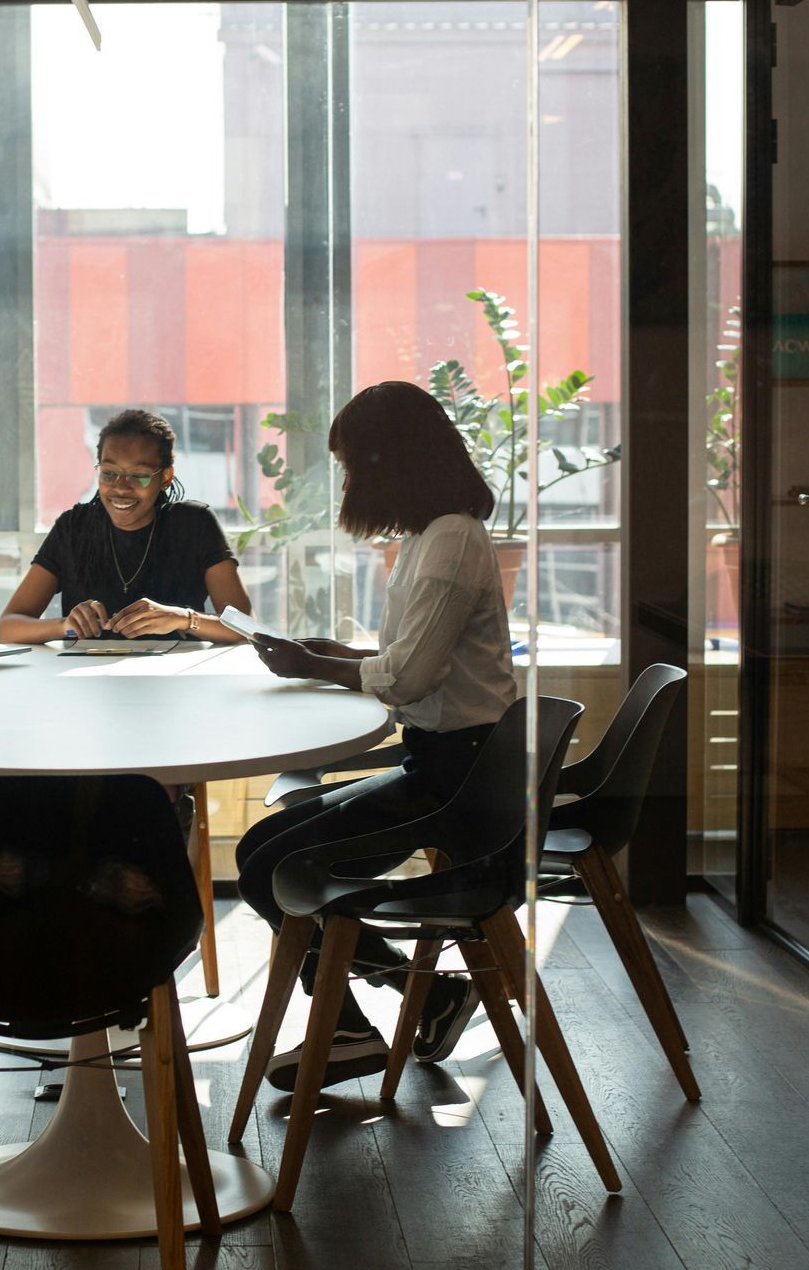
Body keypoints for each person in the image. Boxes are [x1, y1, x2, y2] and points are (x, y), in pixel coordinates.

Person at [235, 380, 517, 1090]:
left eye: (354, 465)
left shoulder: (450, 541)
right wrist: (331, 655)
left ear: (390, 461)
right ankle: (416, 1001)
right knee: (259, 852)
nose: (351, 482)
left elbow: (412, 679)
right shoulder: (429, 535)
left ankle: (354, 1032)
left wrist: (317, 666)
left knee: (272, 867)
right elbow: (409, 662)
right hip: (445, 763)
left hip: (459, 783)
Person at [0, 408, 253, 644]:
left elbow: (246, 629)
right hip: (85, 681)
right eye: (109, 473)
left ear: (165, 477)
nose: (120, 487)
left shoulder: (194, 523)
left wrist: (183, 618)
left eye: (138, 476)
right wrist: (65, 626)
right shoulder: (73, 526)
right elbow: (7, 628)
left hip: (174, 681)